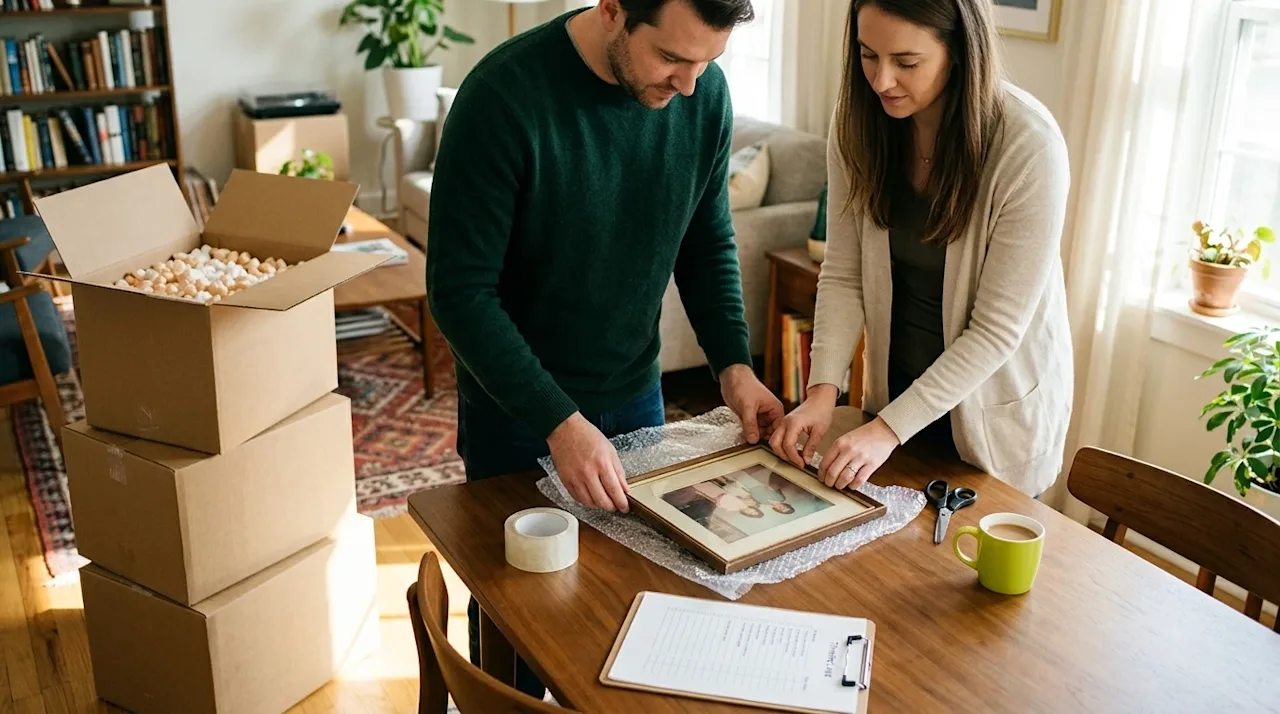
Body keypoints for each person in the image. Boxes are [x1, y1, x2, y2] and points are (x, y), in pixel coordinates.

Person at [426, 0, 784, 699]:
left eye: (707, 61)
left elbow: (705, 243)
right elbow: (460, 293)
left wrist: (734, 367)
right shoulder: (502, 97)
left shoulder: (702, 94)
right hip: (517, 412)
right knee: (520, 621)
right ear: (616, 9)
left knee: (631, 610)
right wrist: (559, 423)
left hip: (635, 398)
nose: (688, 84)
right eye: (672, 58)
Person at [770, 0, 1073, 500]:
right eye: (868, 55)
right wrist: (822, 393)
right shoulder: (858, 124)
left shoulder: (1029, 146)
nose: (882, 80)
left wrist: (887, 430)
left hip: (989, 426)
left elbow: (996, 331)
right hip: (894, 407)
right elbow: (844, 273)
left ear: (958, 51)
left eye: (906, 63)